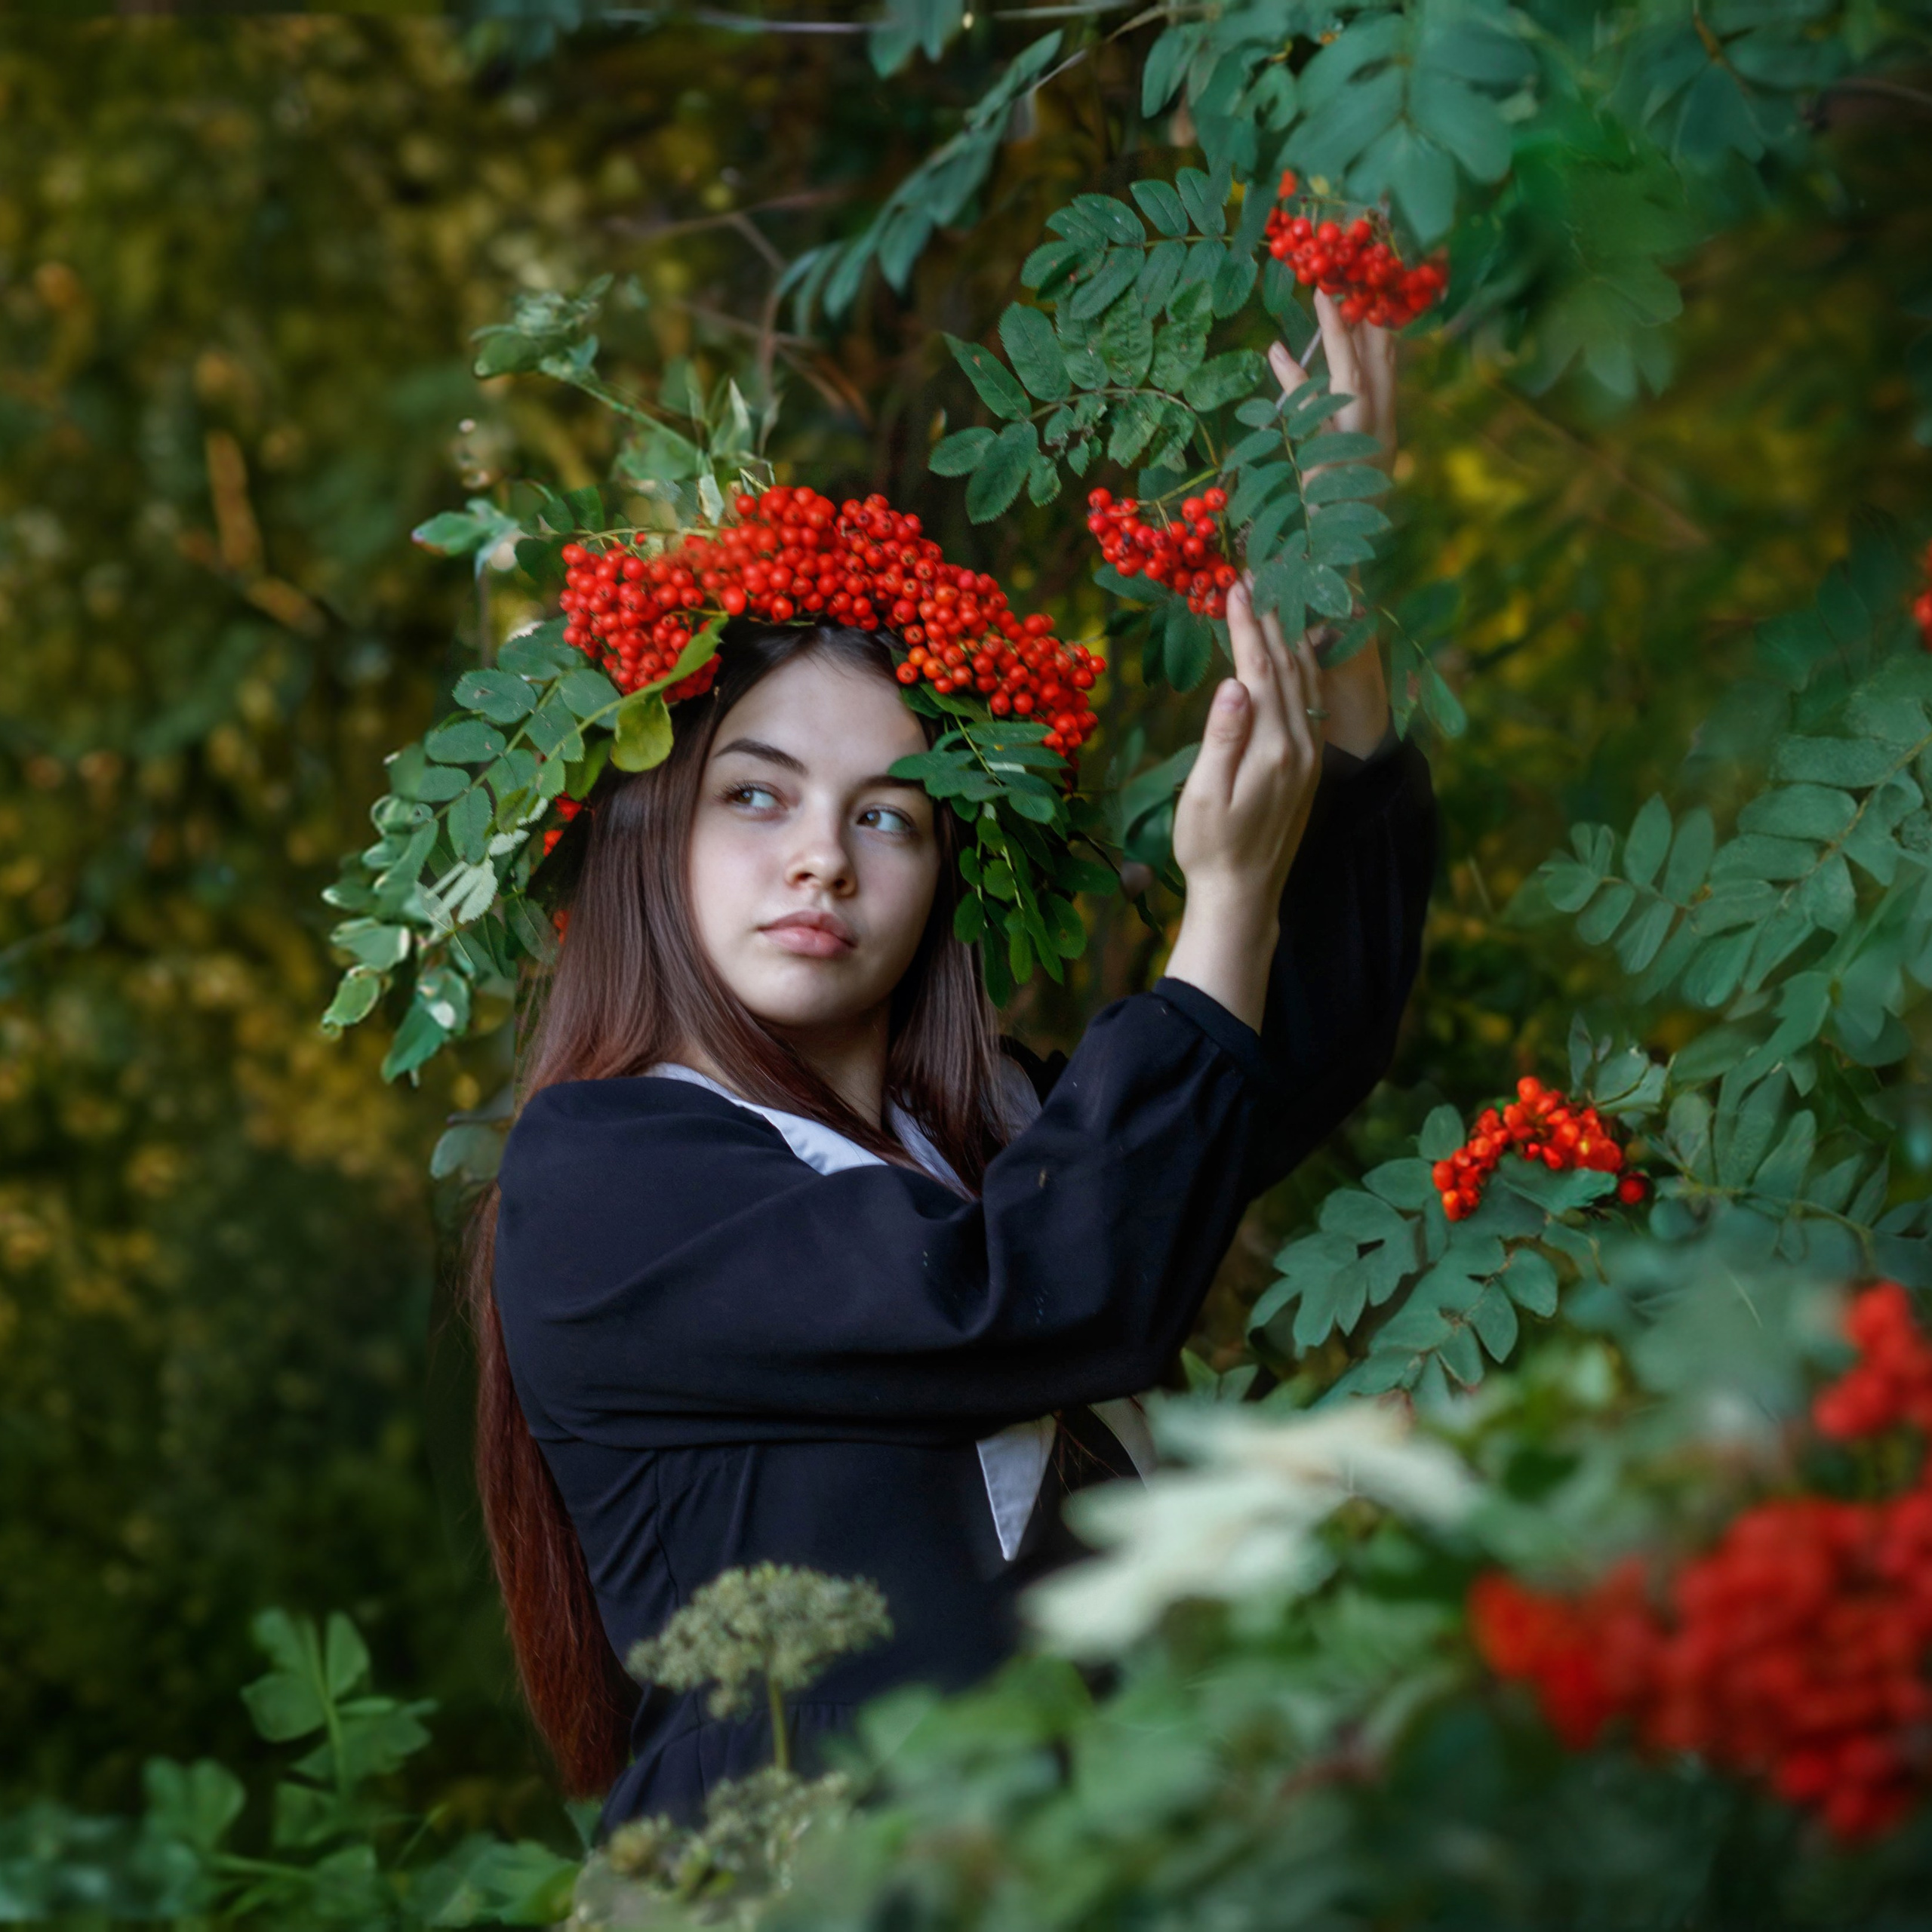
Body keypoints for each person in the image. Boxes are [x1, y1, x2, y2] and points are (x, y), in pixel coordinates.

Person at [475, 299, 1440, 1832]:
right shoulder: (601, 1178)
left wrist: (1337, 621)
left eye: (885, 814)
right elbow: (1042, 1284)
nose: (820, 859)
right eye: (754, 794)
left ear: (938, 870)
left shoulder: (995, 1129)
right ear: (648, 832)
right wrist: (1225, 895)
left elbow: (1289, 1038)